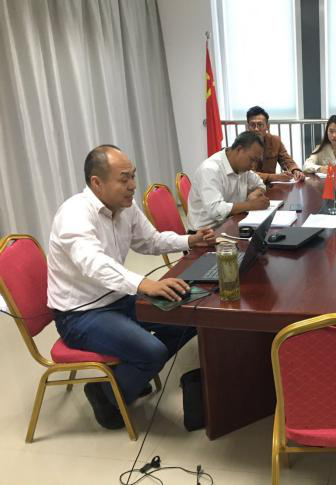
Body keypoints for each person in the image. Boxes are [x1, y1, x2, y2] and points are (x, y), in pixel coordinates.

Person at [48, 145, 216, 430]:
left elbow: (150, 240)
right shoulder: (74, 214)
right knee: (152, 352)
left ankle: (128, 373)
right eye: (124, 178)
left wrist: (189, 240)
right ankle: (106, 395)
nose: (132, 186)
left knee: (192, 317)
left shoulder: (125, 207)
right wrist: (144, 284)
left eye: (133, 176)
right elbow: (94, 264)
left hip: (119, 298)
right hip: (81, 314)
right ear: (97, 183)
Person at [187, 131, 269, 230]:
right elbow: (216, 210)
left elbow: (260, 184)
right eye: (252, 159)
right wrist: (250, 205)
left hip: (231, 223)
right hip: (205, 233)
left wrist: (254, 194)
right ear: (239, 149)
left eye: (256, 161)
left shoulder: (242, 168)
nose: (253, 166)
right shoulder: (210, 169)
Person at [246, 105, 305, 183]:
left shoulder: (275, 141)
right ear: (248, 127)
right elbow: (248, 175)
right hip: (251, 187)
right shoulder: (241, 145)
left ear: (267, 126)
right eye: (252, 125)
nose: (256, 129)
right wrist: (275, 177)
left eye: (260, 125)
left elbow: (287, 160)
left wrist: (295, 170)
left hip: (271, 186)